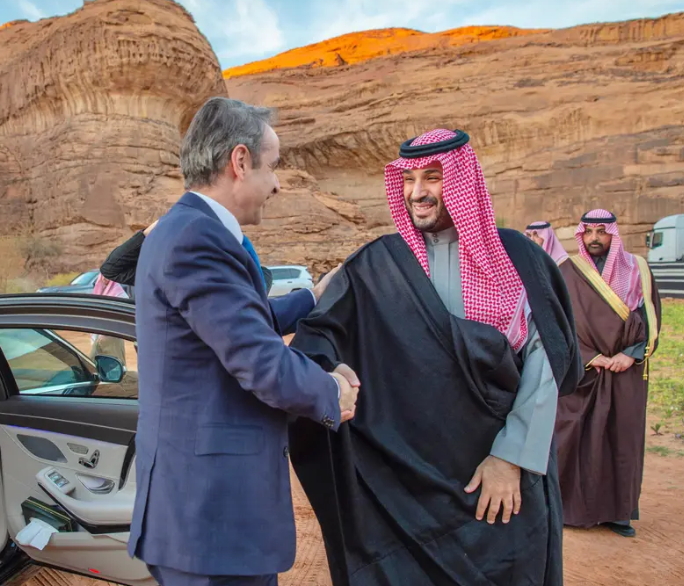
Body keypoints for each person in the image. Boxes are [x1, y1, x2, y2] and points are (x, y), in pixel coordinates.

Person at [289, 129, 581, 586]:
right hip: (410, 484)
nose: (417, 192)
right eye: (408, 179)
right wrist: (332, 373)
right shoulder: (380, 264)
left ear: (463, 181)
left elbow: (547, 360)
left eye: (433, 177)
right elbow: (320, 333)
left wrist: (511, 457)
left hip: (497, 477)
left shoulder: (519, 257)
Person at [128, 97, 359, 586]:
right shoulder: (197, 239)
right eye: (272, 166)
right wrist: (332, 390)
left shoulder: (186, 229)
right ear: (239, 161)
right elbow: (259, 361)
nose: (277, 184)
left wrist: (312, 297)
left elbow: (235, 325)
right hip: (210, 518)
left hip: (205, 517)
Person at [556, 209, 661, 538]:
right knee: (574, 435)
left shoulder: (638, 269)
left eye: (601, 231)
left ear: (612, 234)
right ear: (581, 234)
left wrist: (630, 355)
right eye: (589, 231)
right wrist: (591, 357)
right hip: (583, 372)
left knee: (621, 439)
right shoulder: (566, 271)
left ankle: (618, 513)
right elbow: (558, 323)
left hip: (625, 372)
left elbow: (651, 317)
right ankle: (570, 509)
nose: (595, 237)